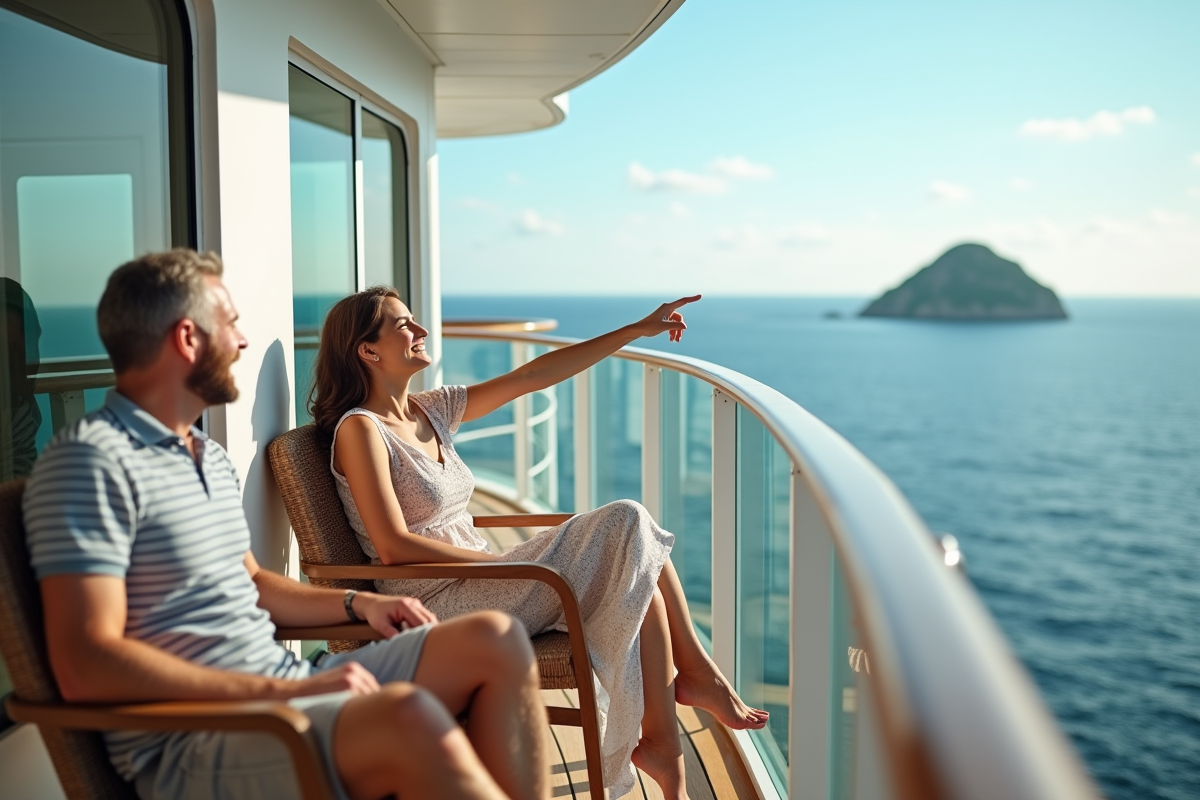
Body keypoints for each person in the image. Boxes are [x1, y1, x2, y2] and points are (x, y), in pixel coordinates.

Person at [23, 250, 549, 800]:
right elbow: (86, 663)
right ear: (187, 339)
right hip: (204, 737)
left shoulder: (203, 454)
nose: (243, 342)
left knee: (496, 637)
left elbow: (252, 583)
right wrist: (283, 687)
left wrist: (358, 604)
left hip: (283, 690)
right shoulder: (90, 463)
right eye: (230, 325)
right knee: (407, 715)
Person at [311, 287, 769, 800]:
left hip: (489, 579)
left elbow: (532, 376)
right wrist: (507, 564)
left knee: (639, 573)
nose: (420, 332)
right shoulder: (361, 431)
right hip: (438, 601)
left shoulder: (429, 411)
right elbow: (393, 546)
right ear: (367, 351)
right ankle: (695, 679)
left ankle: (664, 745)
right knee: (626, 522)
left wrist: (634, 331)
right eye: (403, 326)